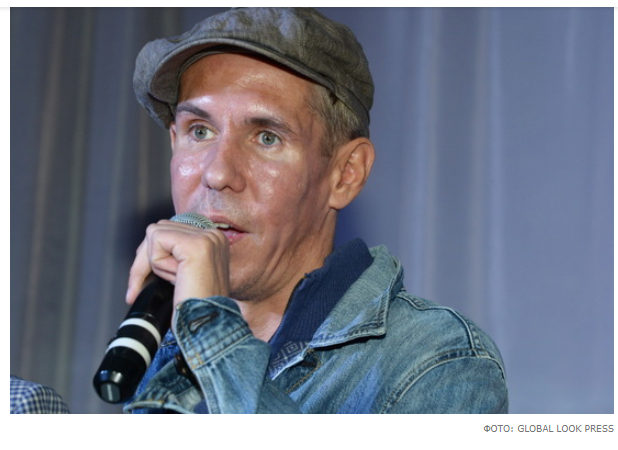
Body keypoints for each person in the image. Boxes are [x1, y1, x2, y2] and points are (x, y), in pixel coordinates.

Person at [124, 7, 508, 413]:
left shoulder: (438, 362)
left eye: (267, 137)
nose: (217, 174)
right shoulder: (158, 345)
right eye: (200, 131)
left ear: (345, 174)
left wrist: (210, 332)